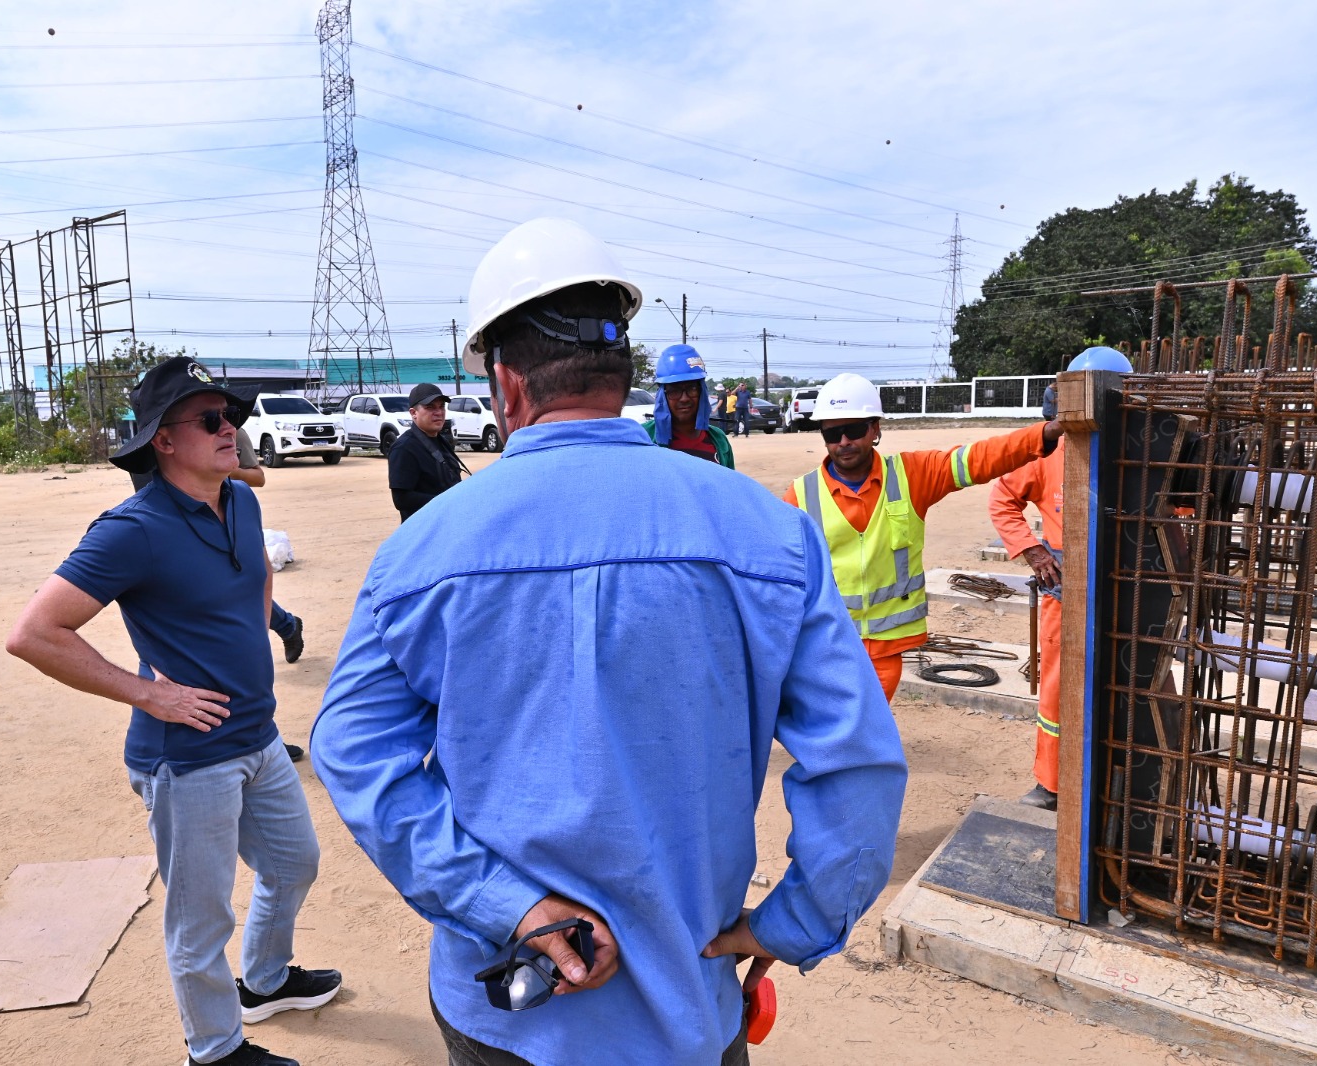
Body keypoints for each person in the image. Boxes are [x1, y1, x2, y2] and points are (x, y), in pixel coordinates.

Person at [312, 218, 907, 1066]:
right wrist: (796, 922)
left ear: (505, 383)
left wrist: (501, 901)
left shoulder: (420, 554)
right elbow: (858, 769)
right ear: (624, 374)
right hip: (689, 1015)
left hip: (509, 1018)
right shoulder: (768, 536)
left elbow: (351, 749)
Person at [6, 356, 340, 1066]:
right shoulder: (133, 528)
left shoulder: (241, 503)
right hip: (187, 757)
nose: (231, 431)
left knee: (294, 864)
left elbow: (256, 574)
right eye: (210, 421)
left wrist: (264, 628)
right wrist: (150, 691)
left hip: (256, 736)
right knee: (201, 916)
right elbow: (34, 633)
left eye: (232, 418)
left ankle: (267, 981)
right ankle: (215, 1050)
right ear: (163, 439)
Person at [785, 372, 1063, 702]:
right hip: (828, 647)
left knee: (861, 732)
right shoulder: (801, 495)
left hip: (885, 650)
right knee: (837, 736)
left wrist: (1046, 433)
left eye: (855, 429)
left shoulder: (911, 476)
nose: (843, 441)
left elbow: (978, 458)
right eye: (832, 432)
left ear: (875, 429)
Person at [989, 346, 1132, 811]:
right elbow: (1003, 498)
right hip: (1065, 592)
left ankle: (1117, 790)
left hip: (1128, 592)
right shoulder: (1048, 450)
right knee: (1057, 691)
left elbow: (1185, 511)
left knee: (1127, 686)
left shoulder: (1143, 449)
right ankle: (1051, 784)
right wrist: (1032, 550)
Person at [132, 420, 307, 762]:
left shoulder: (234, 463)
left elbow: (257, 477)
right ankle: (286, 627)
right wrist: (148, 693)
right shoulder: (136, 518)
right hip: (178, 533)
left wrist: (221, 475)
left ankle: (261, 732)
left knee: (239, 612)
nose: (224, 426)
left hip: (222, 526)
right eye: (209, 418)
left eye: (224, 413)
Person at [642, 343, 734, 466]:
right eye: (674, 390)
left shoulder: (719, 440)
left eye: (692, 388)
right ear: (662, 396)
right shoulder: (644, 437)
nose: (684, 398)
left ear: (702, 390)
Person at [387, 382, 466, 522]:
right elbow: (401, 499)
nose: (439, 412)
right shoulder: (404, 448)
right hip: (423, 530)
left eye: (441, 406)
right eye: (430, 407)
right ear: (413, 413)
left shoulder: (441, 442)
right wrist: (447, 501)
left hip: (448, 524)